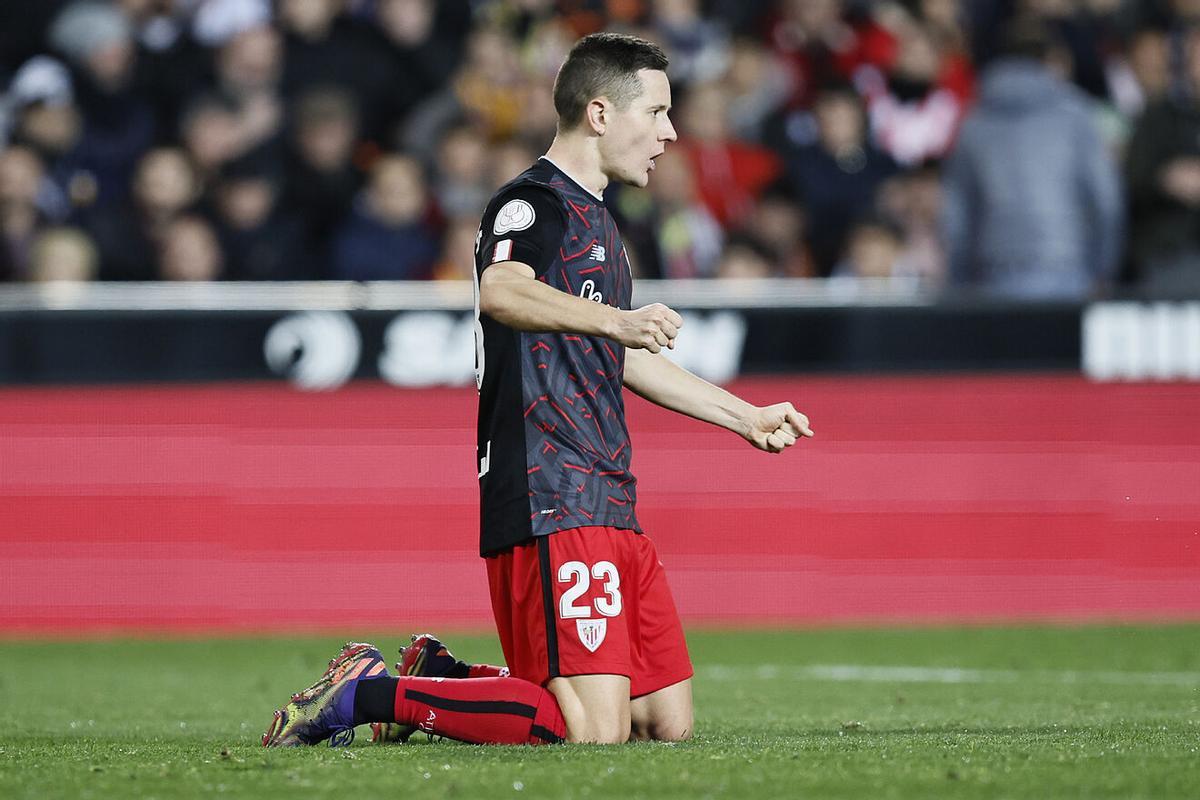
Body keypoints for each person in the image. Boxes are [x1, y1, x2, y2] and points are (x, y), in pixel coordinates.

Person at [262, 32, 813, 749]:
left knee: (663, 721)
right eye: (657, 112)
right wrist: (616, 318)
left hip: (608, 487)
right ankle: (367, 692)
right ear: (600, 114)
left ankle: (444, 674)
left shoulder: (603, 226)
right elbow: (502, 290)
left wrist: (744, 416)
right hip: (552, 484)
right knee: (593, 732)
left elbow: (618, 356)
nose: (671, 131)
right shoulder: (532, 204)